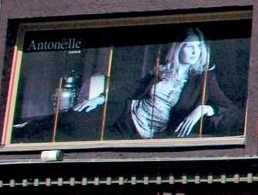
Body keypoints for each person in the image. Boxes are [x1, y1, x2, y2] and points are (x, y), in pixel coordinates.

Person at [74, 28, 237, 139]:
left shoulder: (204, 79)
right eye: (189, 47)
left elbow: (228, 107)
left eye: (199, 47)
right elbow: (132, 89)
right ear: (179, 49)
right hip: (125, 117)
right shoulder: (162, 72)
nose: (196, 52)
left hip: (151, 135)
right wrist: (100, 98)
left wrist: (204, 108)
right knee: (74, 123)